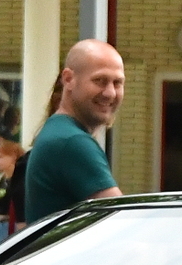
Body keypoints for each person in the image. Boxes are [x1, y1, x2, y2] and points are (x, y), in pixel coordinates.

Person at [18, 40, 126, 229]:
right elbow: (121, 223)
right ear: (68, 79)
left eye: (117, 83)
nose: (110, 93)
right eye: (100, 81)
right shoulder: (72, 142)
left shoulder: (58, 131)